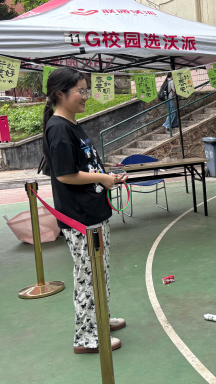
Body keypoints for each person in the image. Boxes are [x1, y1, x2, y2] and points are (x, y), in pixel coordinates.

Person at [42, 67, 127, 354]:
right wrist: (102, 178)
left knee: (98, 273)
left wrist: (106, 177)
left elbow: (83, 166)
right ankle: (87, 337)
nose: (85, 96)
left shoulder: (71, 124)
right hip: (80, 219)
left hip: (92, 212)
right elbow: (65, 174)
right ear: (60, 94)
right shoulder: (59, 128)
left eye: (86, 90)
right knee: (87, 277)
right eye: (80, 91)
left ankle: (100, 319)